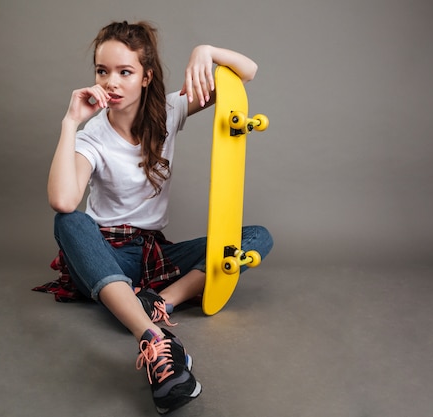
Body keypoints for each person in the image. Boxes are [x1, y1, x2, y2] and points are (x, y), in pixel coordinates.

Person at [47, 21, 273, 414]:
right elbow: (64, 200)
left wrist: (207, 51)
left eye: (125, 72)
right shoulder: (93, 136)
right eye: (103, 71)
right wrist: (71, 123)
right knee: (68, 222)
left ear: (147, 76)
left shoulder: (170, 110)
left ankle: (160, 302)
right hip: (105, 255)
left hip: (154, 257)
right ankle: (153, 338)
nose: (112, 82)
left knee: (255, 237)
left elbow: (248, 71)